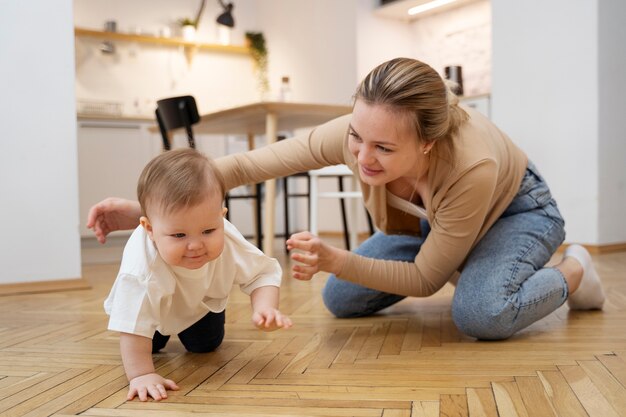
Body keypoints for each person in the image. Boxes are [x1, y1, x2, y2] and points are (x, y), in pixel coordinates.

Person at [89, 57, 604, 345]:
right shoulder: (359, 134)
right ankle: (476, 269)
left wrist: (336, 257)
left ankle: (575, 271)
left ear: (426, 143)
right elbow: (245, 166)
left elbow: (426, 281)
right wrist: (144, 211)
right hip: (435, 229)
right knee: (340, 299)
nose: (362, 157)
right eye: (357, 137)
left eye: (383, 148)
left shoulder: (471, 166)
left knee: (480, 314)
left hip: (517, 212)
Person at [103, 148, 292, 402]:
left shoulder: (227, 238)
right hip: (154, 309)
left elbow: (262, 273)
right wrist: (141, 374)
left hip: (199, 303)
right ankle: (156, 338)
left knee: (205, 345)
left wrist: (265, 307)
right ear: (150, 229)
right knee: (148, 342)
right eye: (179, 235)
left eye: (208, 230)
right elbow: (133, 325)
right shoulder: (141, 269)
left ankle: (191, 327)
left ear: (221, 218)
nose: (195, 245)